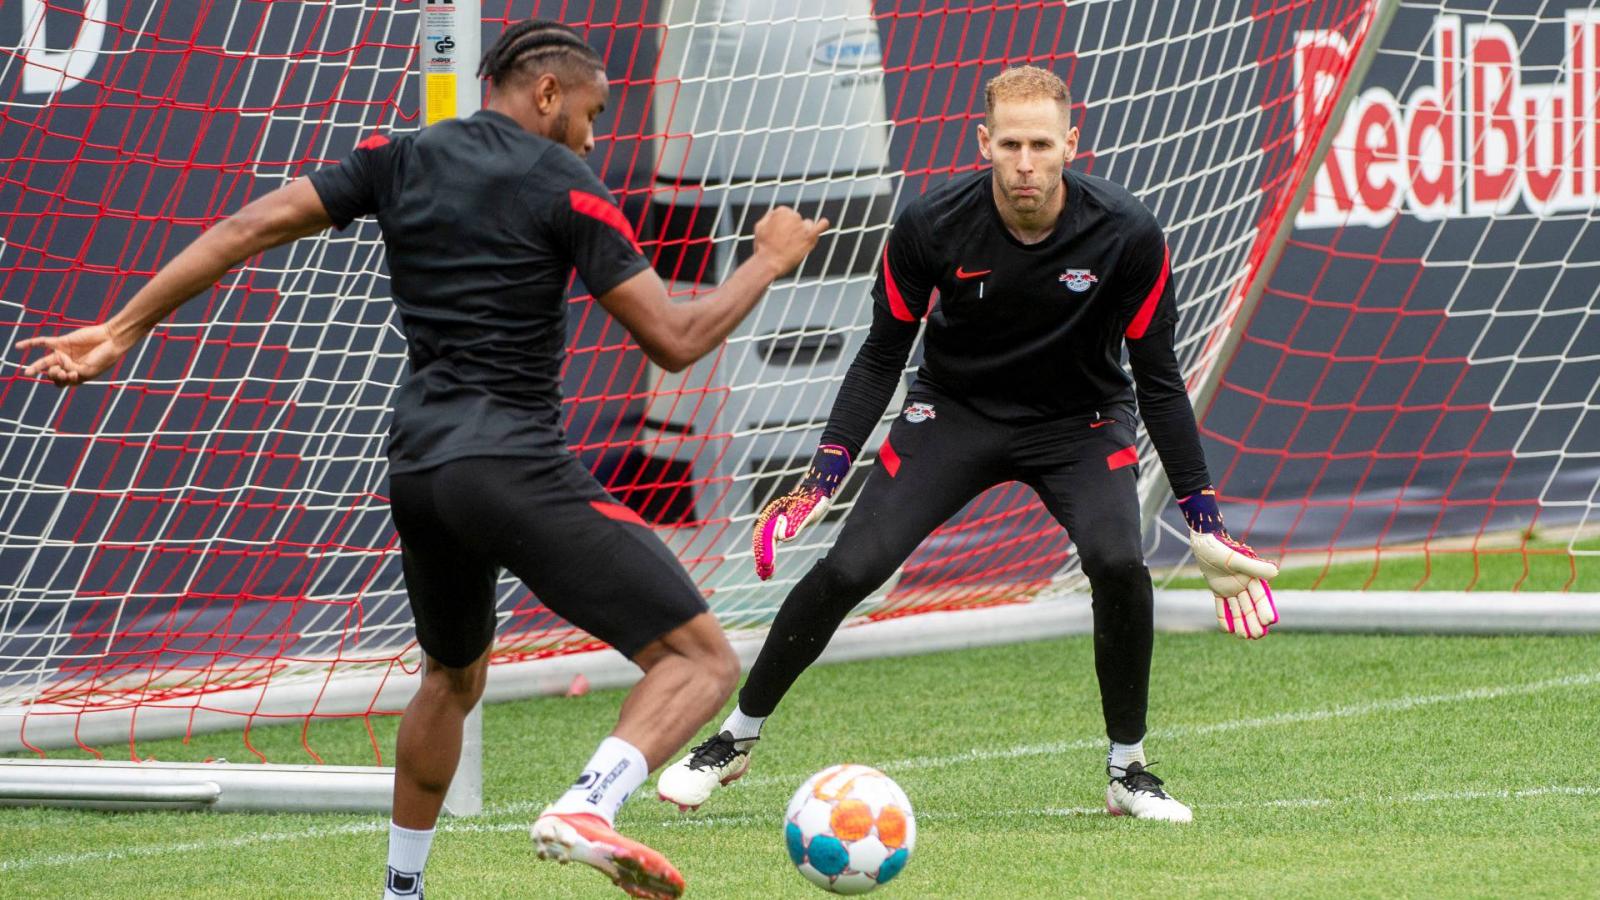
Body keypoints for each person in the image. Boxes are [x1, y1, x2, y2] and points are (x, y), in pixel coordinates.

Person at [16, 19, 826, 900]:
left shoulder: (398, 159)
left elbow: (250, 226)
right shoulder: (569, 184)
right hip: (513, 465)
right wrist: (765, 263)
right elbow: (674, 338)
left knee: (450, 677)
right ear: (546, 94)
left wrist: (122, 329)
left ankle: (402, 891)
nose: (594, 136)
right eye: (590, 113)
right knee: (700, 661)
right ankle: (591, 803)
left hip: (422, 472)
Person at [657, 65, 1278, 823]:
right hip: (954, 412)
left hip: (1079, 422)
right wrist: (821, 478)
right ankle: (736, 738)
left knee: (1119, 561)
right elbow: (881, 357)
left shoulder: (1128, 233)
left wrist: (1205, 520)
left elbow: (1159, 381)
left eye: (1041, 144)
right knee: (851, 565)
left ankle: (1128, 770)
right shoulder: (930, 224)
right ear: (983, 141)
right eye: (1010, 143)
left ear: (1070, 144)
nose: (1025, 161)